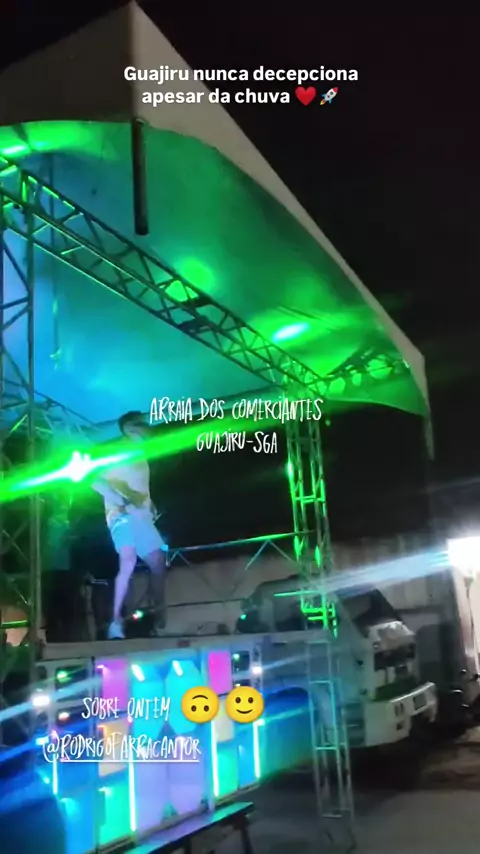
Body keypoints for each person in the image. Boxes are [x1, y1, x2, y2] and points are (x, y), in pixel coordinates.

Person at [91, 411, 167, 639]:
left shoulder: (141, 454)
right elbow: (95, 480)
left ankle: (158, 611)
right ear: (128, 428)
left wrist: (149, 505)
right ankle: (115, 622)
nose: (145, 428)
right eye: (139, 424)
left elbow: (138, 487)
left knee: (158, 560)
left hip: (141, 517)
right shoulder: (117, 451)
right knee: (128, 561)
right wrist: (122, 501)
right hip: (121, 516)